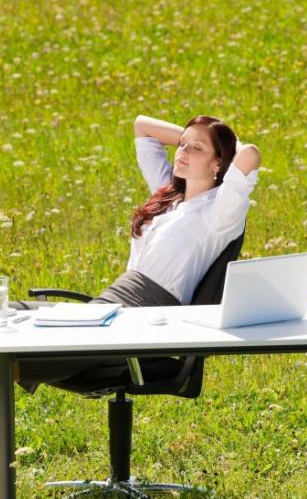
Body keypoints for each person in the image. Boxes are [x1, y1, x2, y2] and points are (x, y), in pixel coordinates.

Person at [12, 114, 260, 391]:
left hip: (146, 317)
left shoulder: (220, 215)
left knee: (28, 352)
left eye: (196, 148)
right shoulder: (168, 196)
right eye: (182, 144)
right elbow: (142, 127)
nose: (183, 152)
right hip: (109, 309)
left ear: (218, 163)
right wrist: (198, 139)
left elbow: (250, 155)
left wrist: (224, 143)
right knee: (10, 314)